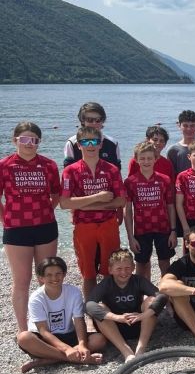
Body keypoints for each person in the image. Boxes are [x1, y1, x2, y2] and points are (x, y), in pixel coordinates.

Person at [1, 121, 60, 332]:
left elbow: (56, 195)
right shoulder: (5, 165)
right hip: (16, 230)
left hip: (45, 227)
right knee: (21, 281)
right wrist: (6, 219)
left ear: (39, 142)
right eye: (25, 139)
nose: (29, 143)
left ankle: (45, 326)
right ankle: (23, 329)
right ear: (15, 140)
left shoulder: (49, 165)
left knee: (47, 278)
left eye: (34, 140)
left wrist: (45, 211)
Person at [60, 126, 125, 299]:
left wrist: (82, 205)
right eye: (85, 141)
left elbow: (121, 200)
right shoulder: (70, 171)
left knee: (110, 269)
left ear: (101, 144)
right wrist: (99, 197)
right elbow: (65, 203)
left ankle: (110, 305)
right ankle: (91, 309)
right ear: (79, 145)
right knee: (88, 272)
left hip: (108, 225)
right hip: (84, 227)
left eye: (94, 141)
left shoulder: (112, 169)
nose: (90, 145)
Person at [16, 257, 105, 373]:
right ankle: (77, 358)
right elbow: (43, 331)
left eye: (58, 274)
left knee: (99, 340)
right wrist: (67, 349)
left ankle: (45, 360)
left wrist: (82, 344)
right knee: (23, 338)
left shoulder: (73, 292)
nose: (54, 278)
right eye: (49, 275)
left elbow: (79, 320)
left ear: (64, 274)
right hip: (45, 338)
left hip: (67, 334)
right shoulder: (36, 298)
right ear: (41, 278)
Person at [85, 249, 168, 361]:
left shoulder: (138, 280)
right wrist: (117, 317)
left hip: (137, 324)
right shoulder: (106, 284)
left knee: (151, 300)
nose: (123, 273)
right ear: (110, 270)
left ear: (133, 268)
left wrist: (142, 316)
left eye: (127, 268)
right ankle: (126, 352)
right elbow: (89, 305)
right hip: (114, 328)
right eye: (119, 269)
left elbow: (161, 297)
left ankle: (140, 349)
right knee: (99, 307)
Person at [124, 141, 176, 280]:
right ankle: (141, 298)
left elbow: (171, 206)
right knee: (141, 265)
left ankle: (168, 297)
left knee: (165, 264)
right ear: (136, 159)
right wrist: (130, 237)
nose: (146, 161)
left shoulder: (164, 180)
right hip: (141, 230)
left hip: (163, 229)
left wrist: (173, 231)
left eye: (149, 158)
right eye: (142, 158)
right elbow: (128, 211)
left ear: (155, 159)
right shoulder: (130, 182)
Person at [63, 102, 121, 169]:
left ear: (103, 121)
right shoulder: (72, 143)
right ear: (82, 121)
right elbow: (68, 170)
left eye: (98, 120)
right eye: (90, 120)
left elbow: (117, 170)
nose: (94, 123)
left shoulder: (113, 143)